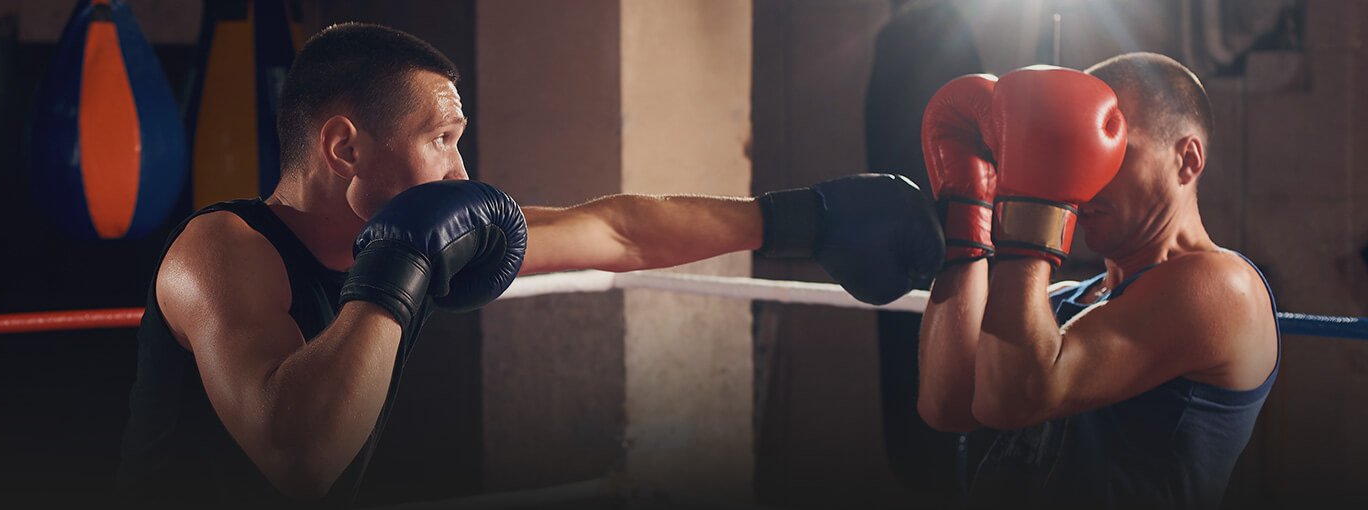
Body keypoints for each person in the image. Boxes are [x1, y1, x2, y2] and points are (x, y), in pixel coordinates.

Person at [118, 23, 945, 508]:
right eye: (440, 137)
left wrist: (806, 219)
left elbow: (617, 234)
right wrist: (398, 265)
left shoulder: (423, 232)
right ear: (344, 145)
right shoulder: (221, 253)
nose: (460, 172)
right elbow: (299, 458)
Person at [917, 54, 1279, 509]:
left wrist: (1035, 205)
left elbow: (1015, 398)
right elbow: (946, 405)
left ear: (1187, 160)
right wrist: (968, 215)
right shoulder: (1062, 301)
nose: (1088, 179)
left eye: (1116, 153)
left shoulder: (1224, 287)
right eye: (1078, 155)